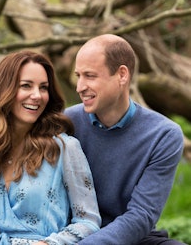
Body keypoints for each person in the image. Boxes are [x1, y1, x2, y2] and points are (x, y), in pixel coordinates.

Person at [0, 50, 101, 245]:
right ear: (4, 90)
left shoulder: (64, 149)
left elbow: (88, 221)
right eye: (26, 86)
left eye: (44, 88)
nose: (37, 95)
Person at [65, 34, 185, 245]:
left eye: (90, 76)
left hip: (131, 237)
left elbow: (141, 216)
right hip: (71, 232)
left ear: (122, 75)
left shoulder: (164, 135)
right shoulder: (66, 123)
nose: (79, 86)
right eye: (78, 76)